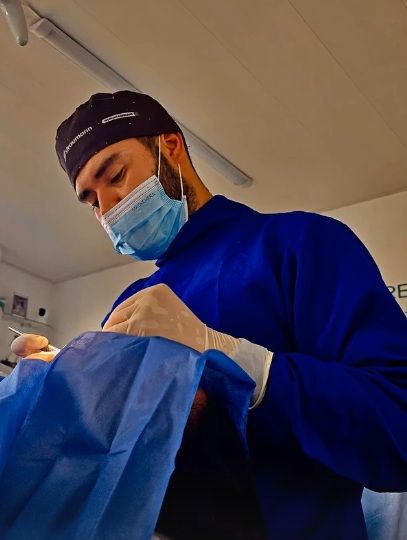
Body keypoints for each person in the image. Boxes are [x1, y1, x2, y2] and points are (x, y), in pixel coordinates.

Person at [11, 91, 407, 539]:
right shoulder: (129, 307)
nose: (109, 208)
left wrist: (245, 366)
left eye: (116, 175)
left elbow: (399, 423)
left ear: (170, 146)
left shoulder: (299, 245)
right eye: (91, 201)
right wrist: (54, 402)